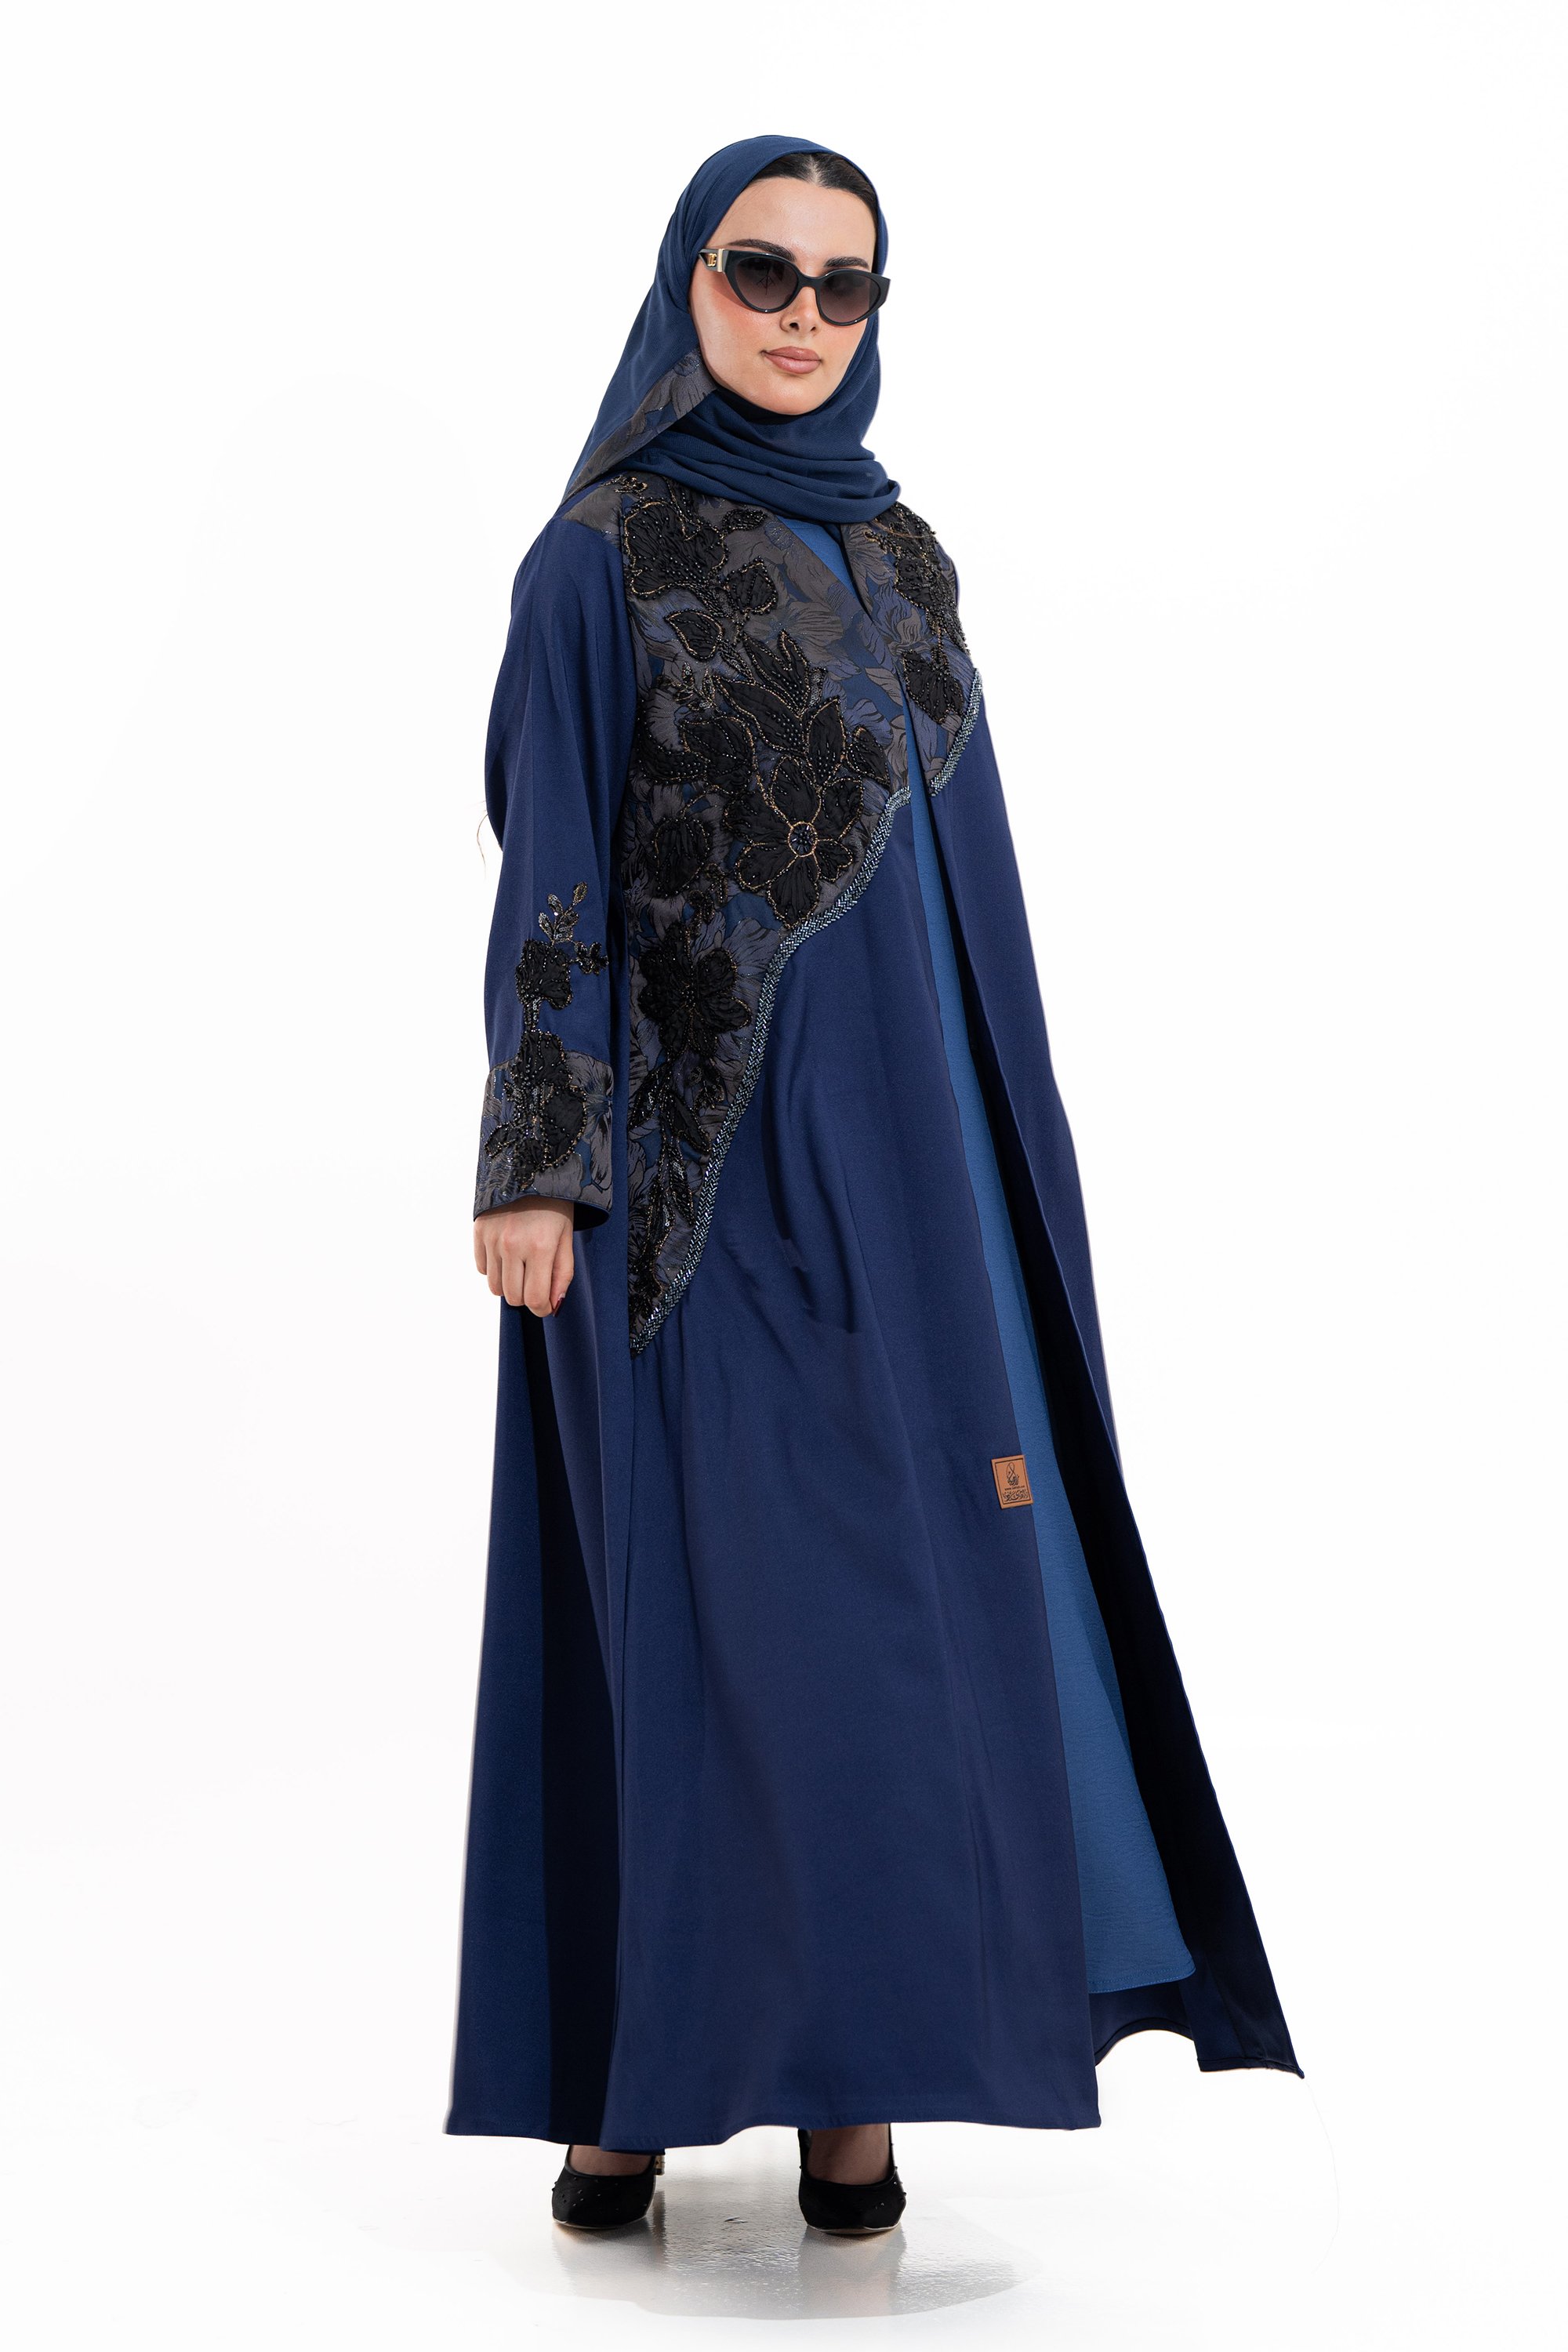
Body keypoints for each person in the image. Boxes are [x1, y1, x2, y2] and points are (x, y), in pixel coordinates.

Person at [448, 135, 1298, 2238]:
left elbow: (959, 894)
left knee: (905, 1622)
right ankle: (627, 2092)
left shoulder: (904, 554)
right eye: (764, 272)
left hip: (918, 1176)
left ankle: (864, 2084)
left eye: (846, 285)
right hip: (688, 1187)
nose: (804, 317)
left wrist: (1011, 1175)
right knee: (695, 1607)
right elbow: (551, 866)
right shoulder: (599, 560)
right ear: (688, 283)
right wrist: (539, 1163)